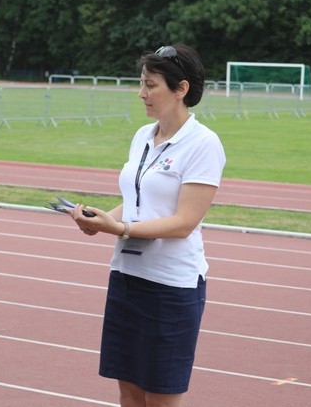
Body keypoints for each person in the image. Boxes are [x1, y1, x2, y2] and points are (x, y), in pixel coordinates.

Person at [66, 44, 225, 407]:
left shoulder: (203, 144)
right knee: (129, 393)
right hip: (127, 277)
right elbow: (137, 199)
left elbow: (184, 222)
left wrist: (118, 229)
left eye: (151, 85)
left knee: (160, 397)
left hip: (171, 286)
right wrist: (101, 218)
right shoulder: (142, 136)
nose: (142, 94)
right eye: (141, 83)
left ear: (181, 89)